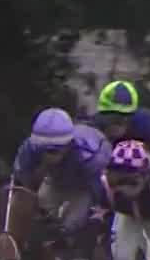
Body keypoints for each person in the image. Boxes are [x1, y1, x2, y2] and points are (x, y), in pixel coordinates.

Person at [13, 106, 112, 250]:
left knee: (72, 223)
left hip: (84, 185)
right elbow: (21, 177)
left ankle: (70, 251)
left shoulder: (91, 157)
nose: (47, 156)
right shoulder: (30, 148)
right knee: (41, 210)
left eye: (53, 150)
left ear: (68, 144)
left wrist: (95, 214)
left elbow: (98, 192)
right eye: (43, 149)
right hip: (55, 178)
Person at [89, 80, 150, 170]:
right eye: (109, 116)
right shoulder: (93, 129)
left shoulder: (149, 126)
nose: (113, 124)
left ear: (131, 115)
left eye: (120, 117)